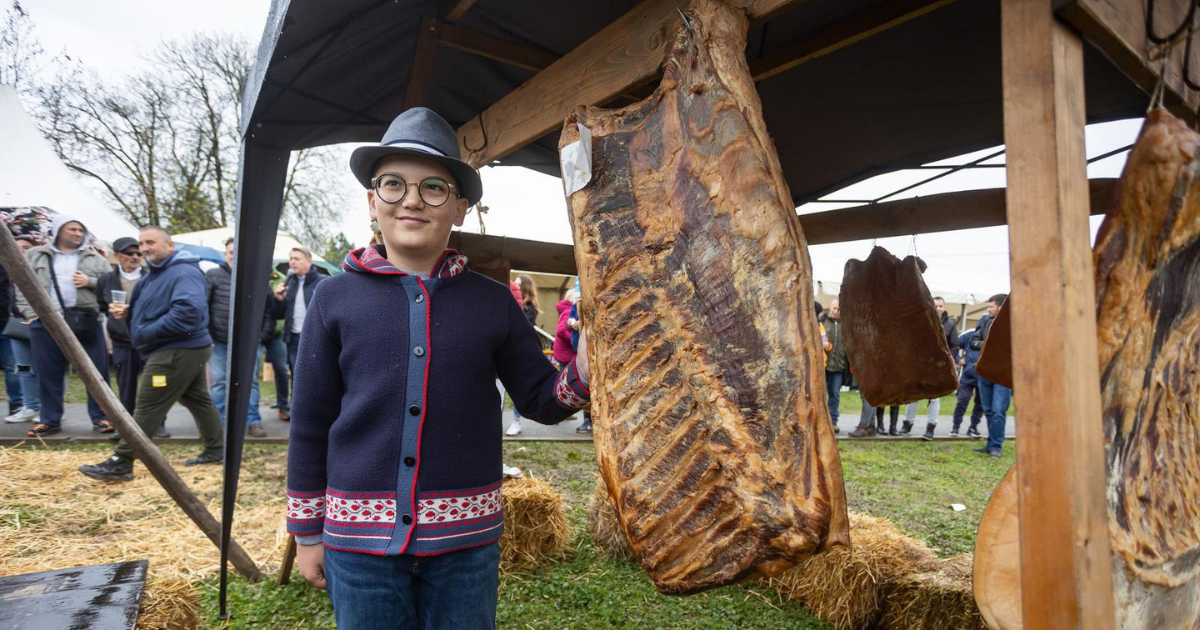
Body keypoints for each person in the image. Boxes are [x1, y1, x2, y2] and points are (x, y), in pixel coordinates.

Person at [287, 107, 591, 630]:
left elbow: (542, 401)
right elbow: (311, 423)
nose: (411, 199)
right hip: (359, 549)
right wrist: (307, 532)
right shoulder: (332, 299)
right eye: (393, 185)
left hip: (464, 546)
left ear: (460, 209)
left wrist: (587, 360)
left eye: (433, 187)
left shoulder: (493, 303)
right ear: (371, 201)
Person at [78, 226, 225, 481]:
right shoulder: (158, 273)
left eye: (150, 243)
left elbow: (188, 312)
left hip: (174, 350)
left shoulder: (183, 272)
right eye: (141, 243)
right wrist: (130, 314)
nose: (144, 248)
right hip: (180, 348)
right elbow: (159, 307)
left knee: (147, 405)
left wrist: (145, 331)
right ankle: (216, 450)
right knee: (198, 400)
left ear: (170, 246)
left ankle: (121, 461)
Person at [17, 214, 113, 437]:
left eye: (81, 230)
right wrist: (31, 314)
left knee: (96, 371)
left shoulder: (95, 258)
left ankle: (102, 417)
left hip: (86, 321)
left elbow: (111, 285)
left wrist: (90, 282)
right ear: (59, 230)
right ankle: (49, 420)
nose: (78, 234)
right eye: (73, 229)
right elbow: (21, 284)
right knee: (48, 372)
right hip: (46, 321)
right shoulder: (35, 255)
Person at [96, 236, 162, 437]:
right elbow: (101, 305)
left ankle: (157, 424)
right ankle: (127, 427)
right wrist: (113, 314)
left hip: (149, 340)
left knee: (155, 384)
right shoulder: (106, 280)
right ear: (117, 256)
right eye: (129, 253)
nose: (135, 257)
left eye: (138, 253)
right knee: (126, 385)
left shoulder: (152, 277)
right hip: (122, 341)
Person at [207, 238, 268, 438]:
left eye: (239, 252)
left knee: (250, 382)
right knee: (219, 381)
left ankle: (253, 421)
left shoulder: (258, 277)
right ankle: (219, 422)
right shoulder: (213, 275)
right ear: (226, 254)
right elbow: (204, 305)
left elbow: (267, 309)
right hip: (220, 339)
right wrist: (208, 334)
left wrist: (262, 334)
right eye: (232, 251)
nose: (235, 255)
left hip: (249, 341)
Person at [272, 247, 326, 421]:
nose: (292, 262)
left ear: (309, 261)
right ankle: (300, 415)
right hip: (294, 338)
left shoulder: (322, 282)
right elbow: (278, 314)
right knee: (297, 375)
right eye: (291, 258)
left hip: (316, 338)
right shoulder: (289, 282)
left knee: (318, 376)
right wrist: (278, 299)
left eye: (297, 258)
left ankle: (315, 413)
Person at [902, 297, 961, 440]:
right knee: (914, 395)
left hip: (938, 366)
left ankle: (931, 427)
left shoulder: (950, 325)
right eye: (935, 305)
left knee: (934, 397)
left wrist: (946, 360)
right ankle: (907, 423)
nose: (938, 308)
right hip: (920, 363)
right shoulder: (922, 320)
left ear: (944, 308)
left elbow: (955, 346)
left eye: (941, 306)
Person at [4, 233, 41, 424]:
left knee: (46, 367)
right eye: (17, 248)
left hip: (39, 324)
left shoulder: (41, 270)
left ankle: (50, 407)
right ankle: (29, 405)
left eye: (26, 247)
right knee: (23, 367)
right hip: (17, 327)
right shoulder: (7, 274)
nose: (22, 252)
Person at [504, 274, 544, 437]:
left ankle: (516, 421)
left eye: (519, 285)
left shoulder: (530, 308)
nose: (516, 287)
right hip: (506, 350)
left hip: (521, 353)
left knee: (517, 390)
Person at [973, 294, 1012, 459]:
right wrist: (987, 345)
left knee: (998, 410)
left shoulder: (1012, 325)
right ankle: (990, 444)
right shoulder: (985, 321)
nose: (988, 309)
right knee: (988, 410)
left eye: (991, 307)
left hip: (1002, 374)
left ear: (1001, 307)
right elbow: (973, 341)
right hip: (984, 373)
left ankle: (996, 446)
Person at [951, 315, 987, 437]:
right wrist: (957, 359)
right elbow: (954, 345)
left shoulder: (992, 335)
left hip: (984, 376)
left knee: (980, 403)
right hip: (968, 375)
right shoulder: (969, 334)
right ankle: (955, 427)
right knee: (962, 400)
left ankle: (973, 427)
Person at [822, 299, 847, 433]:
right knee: (821, 394)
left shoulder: (845, 325)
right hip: (824, 366)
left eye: (839, 309)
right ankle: (821, 421)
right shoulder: (823, 322)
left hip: (838, 367)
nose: (836, 311)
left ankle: (833, 421)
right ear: (830, 308)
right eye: (834, 308)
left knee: (835, 394)